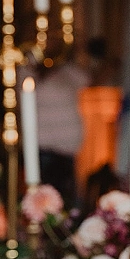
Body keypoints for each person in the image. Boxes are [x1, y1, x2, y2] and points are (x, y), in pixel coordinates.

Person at [33, 50, 90, 206]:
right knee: (42, 200)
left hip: (68, 150)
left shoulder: (68, 69)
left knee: (68, 202)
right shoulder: (28, 67)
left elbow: (90, 80)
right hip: (42, 148)